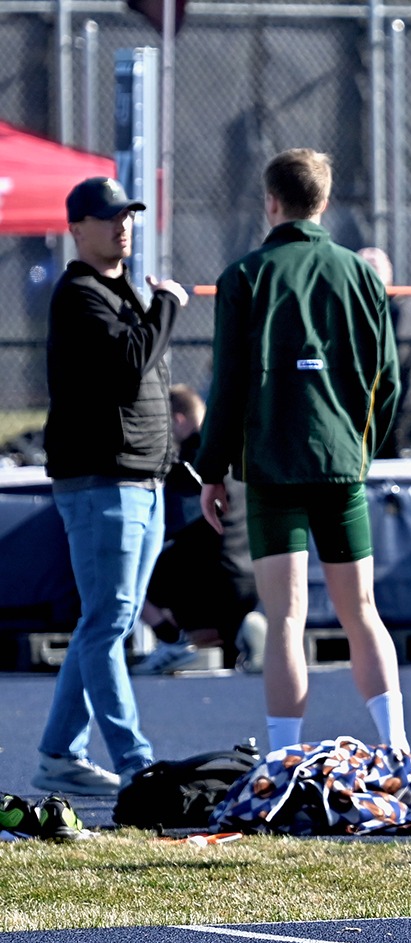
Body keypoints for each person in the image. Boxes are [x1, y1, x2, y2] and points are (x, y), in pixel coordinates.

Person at [196, 149, 411, 762]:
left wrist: (211, 469)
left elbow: (229, 383)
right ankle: (396, 749)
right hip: (340, 464)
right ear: (324, 199)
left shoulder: (244, 276)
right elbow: (386, 379)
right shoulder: (362, 273)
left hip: (271, 468)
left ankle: (280, 760)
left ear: (271, 201)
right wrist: (358, 447)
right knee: (361, 611)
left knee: (285, 618)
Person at [34, 177, 187, 795]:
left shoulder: (117, 292)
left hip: (138, 481)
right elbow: (129, 366)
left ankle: (59, 757)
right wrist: (168, 305)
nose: (122, 225)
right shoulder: (79, 294)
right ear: (76, 228)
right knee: (108, 622)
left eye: (127, 215)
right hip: (102, 484)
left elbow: (144, 390)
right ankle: (135, 763)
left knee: (108, 623)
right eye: (108, 217)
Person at [130, 385, 261, 675]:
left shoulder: (190, 462)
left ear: (178, 419)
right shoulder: (234, 451)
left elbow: (171, 523)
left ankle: (175, 642)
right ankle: (242, 633)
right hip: (251, 577)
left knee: (127, 574)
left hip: (212, 581)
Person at [358, 248, 411, 459]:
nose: (372, 268)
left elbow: (396, 357)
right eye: (366, 265)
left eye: (377, 266)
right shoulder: (349, 306)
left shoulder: (403, 307)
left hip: (398, 405)